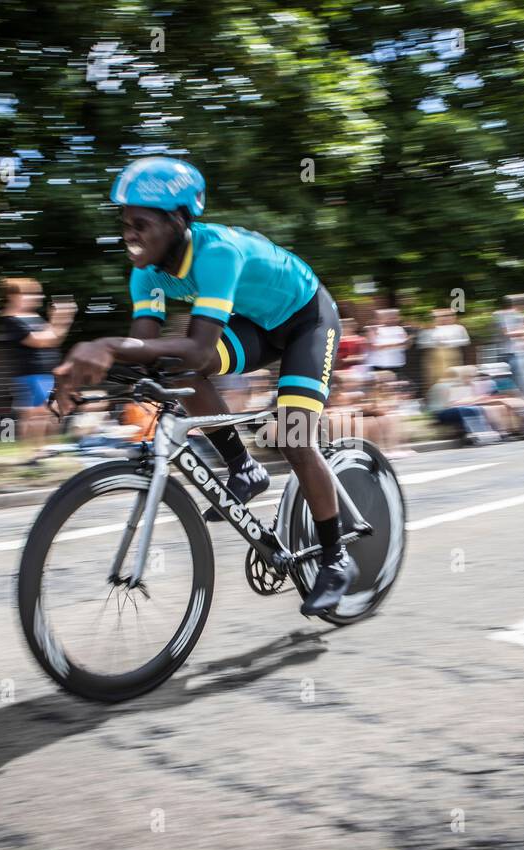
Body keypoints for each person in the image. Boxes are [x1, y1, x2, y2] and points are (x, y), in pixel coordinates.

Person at [53, 157, 355, 615]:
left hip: (307, 319)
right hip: (256, 322)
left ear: (177, 220)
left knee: (295, 436)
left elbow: (196, 349)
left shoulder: (217, 252)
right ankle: (244, 468)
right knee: (172, 371)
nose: (129, 235)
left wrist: (106, 345)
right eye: (124, 224)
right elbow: (145, 351)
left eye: (140, 224)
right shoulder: (146, 271)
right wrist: (88, 375)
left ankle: (336, 559)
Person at [0, 277, 75, 463]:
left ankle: (45, 449)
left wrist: (59, 321)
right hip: (29, 374)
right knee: (32, 414)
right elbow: (41, 341)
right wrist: (62, 319)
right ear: (14, 296)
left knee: (48, 413)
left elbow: (54, 338)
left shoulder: (33, 317)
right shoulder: (11, 320)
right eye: (29, 294)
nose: (36, 297)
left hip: (46, 372)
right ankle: (30, 453)